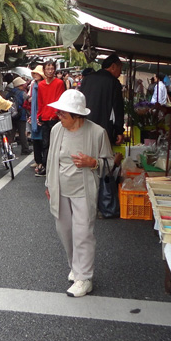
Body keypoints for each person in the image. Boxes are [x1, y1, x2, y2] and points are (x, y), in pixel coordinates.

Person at [43, 89, 115, 298]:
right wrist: (49, 184)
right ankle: (76, 266)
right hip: (60, 188)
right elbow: (51, 160)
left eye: (63, 114)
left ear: (77, 115)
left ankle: (85, 278)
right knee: (64, 230)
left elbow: (109, 163)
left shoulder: (97, 133)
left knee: (83, 233)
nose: (59, 117)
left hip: (84, 190)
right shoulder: (57, 130)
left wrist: (93, 163)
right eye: (59, 113)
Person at [78, 54, 125, 146]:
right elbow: (117, 108)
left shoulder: (87, 79)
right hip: (104, 129)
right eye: (120, 68)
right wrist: (119, 130)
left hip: (84, 125)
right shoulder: (114, 82)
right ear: (113, 66)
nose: (120, 72)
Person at [35, 60, 65, 176]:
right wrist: (39, 115)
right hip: (45, 117)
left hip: (55, 117)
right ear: (44, 71)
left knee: (56, 143)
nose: (50, 71)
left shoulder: (59, 83)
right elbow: (40, 101)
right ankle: (47, 166)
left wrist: (56, 114)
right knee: (45, 143)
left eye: (52, 69)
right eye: (48, 69)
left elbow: (60, 100)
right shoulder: (41, 84)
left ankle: (54, 166)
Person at [7, 76, 32, 155]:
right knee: (22, 133)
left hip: (11, 115)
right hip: (21, 115)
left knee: (11, 133)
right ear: (20, 85)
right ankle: (25, 149)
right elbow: (27, 102)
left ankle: (8, 149)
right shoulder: (23, 93)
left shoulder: (9, 93)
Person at [28, 65, 45, 171]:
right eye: (34, 73)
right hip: (34, 113)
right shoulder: (33, 84)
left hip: (41, 112)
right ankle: (38, 160)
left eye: (37, 73)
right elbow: (30, 97)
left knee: (43, 139)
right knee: (35, 139)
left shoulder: (43, 85)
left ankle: (42, 162)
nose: (35, 75)